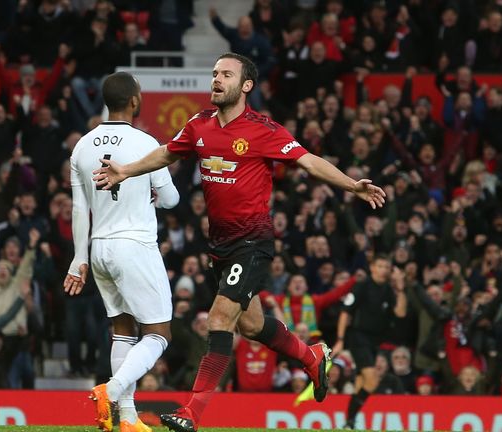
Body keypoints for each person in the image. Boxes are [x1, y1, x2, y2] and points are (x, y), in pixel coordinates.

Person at [93, 53, 385, 432]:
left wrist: (352, 185)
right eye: (214, 73)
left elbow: (309, 161)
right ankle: (311, 356)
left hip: (253, 242)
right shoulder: (199, 125)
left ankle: (191, 413)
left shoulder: (264, 130)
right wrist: (125, 171)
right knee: (251, 325)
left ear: (246, 85)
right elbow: (167, 152)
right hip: (221, 246)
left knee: (219, 319)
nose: (216, 79)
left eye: (226, 74)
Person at [63, 71, 180, 432]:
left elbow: (80, 209)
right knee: (159, 334)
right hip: (135, 244)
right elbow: (173, 199)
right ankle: (111, 392)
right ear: (134, 100)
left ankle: (127, 419)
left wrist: (77, 258)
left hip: (99, 248)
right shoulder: (146, 142)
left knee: (123, 331)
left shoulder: (82, 146)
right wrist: (154, 195)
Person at [338, 256, 407, 429]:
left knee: (361, 383)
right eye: (380, 265)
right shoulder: (362, 286)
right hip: (359, 337)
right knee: (373, 381)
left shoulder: (389, 290)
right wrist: (340, 339)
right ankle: (350, 420)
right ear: (372, 268)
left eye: (386, 266)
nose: (383, 269)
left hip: (375, 342)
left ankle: (349, 423)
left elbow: (400, 313)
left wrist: (400, 290)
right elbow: (345, 312)